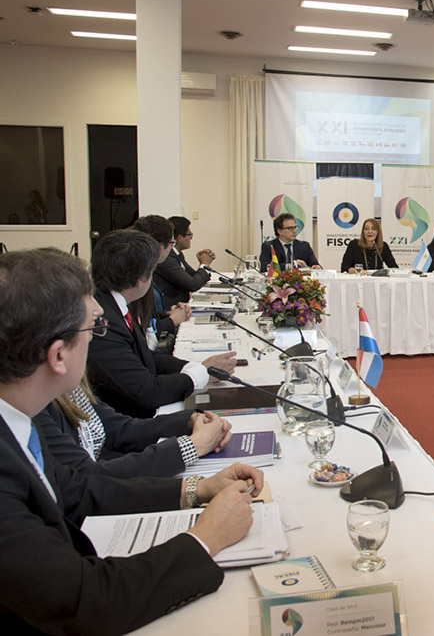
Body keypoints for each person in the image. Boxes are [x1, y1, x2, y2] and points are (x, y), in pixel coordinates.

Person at [0, 247, 263, 634]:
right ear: (58, 356)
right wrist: (207, 537)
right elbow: (83, 600)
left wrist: (198, 488)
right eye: (93, 329)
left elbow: (78, 490)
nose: (98, 339)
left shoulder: (19, 418)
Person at [86, 229, 237, 419]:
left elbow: (144, 356)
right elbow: (147, 392)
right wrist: (200, 373)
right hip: (131, 421)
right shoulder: (102, 321)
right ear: (141, 279)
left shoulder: (114, 302)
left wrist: (198, 367)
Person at [35, 376, 231, 478]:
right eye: (91, 329)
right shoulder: (36, 408)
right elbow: (87, 478)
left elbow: (120, 430)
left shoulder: (71, 387)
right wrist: (194, 445)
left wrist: (190, 421)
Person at [132, 215, 191, 348]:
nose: (171, 248)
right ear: (159, 245)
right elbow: (140, 329)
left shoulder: (146, 269)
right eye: (171, 243)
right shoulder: (136, 278)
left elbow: (146, 314)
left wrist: (167, 314)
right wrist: (171, 320)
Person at [153, 215, 213, 307]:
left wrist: (203, 265)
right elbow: (193, 284)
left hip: (182, 305)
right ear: (180, 237)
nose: (191, 238)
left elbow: (193, 276)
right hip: (170, 309)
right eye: (189, 234)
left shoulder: (177, 254)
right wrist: (204, 264)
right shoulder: (167, 258)